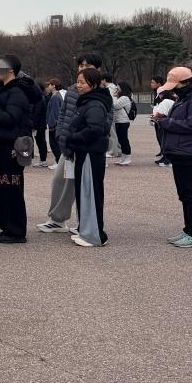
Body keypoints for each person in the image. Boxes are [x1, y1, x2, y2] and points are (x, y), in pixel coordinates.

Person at [0, 54, 41, 243]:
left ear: (10, 71)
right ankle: (7, 226)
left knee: (10, 189)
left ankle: (15, 230)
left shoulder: (16, 92)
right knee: (0, 188)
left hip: (9, 147)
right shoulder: (7, 90)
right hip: (1, 144)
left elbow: (10, 119)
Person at [38, 53, 101, 234]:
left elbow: (103, 122)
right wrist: (60, 136)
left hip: (86, 147)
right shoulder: (74, 89)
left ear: (98, 70)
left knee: (86, 186)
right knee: (61, 180)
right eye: (80, 65)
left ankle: (86, 224)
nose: (82, 68)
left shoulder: (101, 92)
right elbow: (64, 115)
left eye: (87, 65)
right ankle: (58, 220)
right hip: (68, 145)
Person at [153, 68, 192, 248]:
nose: (173, 89)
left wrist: (165, 122)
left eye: (175, 85)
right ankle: (189, 229)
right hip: (181, 152)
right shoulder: (186, 97)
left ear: (185, 82)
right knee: (185, 195)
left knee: (190, 194)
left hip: (190, 152)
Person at [65, 67, 112, 247]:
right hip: (85, 153)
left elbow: (96, 129)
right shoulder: (88, 101)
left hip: (91, 154)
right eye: (78, 81)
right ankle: (87, 231)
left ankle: (95, 235)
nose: (78, 85)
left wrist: (72, 138)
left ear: (93, 83)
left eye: (82, 82)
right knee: (85, 193)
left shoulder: (94, 104)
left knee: (90, 193)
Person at [111, 82, 135, 166]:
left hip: (123, 121)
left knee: (124, 140)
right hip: (119, 121)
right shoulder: (122, 97)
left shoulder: (124, 98)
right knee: (121, 140)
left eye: (118, 88)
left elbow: (115, 105)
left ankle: (128, 157)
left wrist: (113, 97)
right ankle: (124, 157)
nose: (117, 89)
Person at [44, 78, 64, 171]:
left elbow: (55, 112)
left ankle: (58, 163)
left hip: (54, 125)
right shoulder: (57, 95)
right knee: (55, 144)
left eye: (50, 85)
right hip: (56, 124)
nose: (48, 87)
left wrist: (52, 125)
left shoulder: (55, 97)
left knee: (54, 145)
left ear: (54, 85)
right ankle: (58, 162)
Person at [31, 85, 49, 168]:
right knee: (42, 142)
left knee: (41, 142)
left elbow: (37, 114)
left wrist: (33, 125)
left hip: (39, 125)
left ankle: (43, 161)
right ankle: (43, 160)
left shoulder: (39, 100)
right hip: (41, 124)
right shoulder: (42, 98)